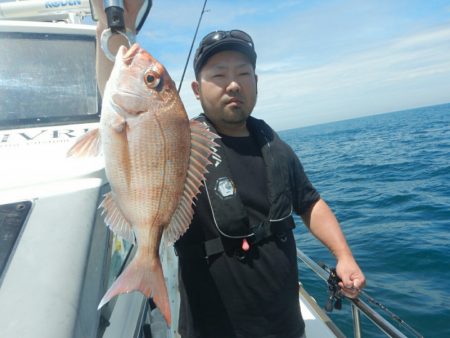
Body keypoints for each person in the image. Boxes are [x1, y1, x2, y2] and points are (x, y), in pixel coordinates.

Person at [93, 2, 365, 338]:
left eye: (243, 74)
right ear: (195, 89)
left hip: (286, 327)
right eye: (219, 75)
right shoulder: (182, 143)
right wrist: (112, 24)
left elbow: (309, 202)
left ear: (256, 82)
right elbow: (118, 99)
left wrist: (344, 256)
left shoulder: (274, 144)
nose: (233, 84)